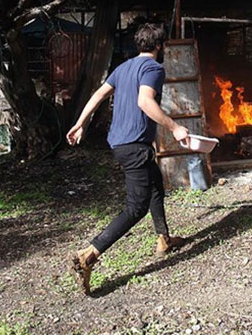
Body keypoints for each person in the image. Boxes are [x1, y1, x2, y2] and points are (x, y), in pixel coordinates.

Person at [65, 23, 188, 295]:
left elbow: (99, 94)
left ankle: (164, 239)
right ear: (159, 46)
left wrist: (80, 123)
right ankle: (89, 254)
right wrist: (175, 127)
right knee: (136, 208)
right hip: (134, 147)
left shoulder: (123, 68)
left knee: (155, 185)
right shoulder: (153, 68)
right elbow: (145, 102)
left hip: (121, 144)